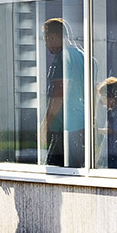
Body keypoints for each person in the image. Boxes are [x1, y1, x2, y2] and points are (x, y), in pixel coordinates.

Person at [40, 18, 85, 168]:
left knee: (54, 172)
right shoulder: (82, 56)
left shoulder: (62, 58)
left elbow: (59, 93)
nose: (46, 44)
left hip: (64, 128)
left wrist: (46, 124)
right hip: (80, 125)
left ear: (51, 37)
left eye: (45, 39)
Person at [97, 77, 117, 169]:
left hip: (115, 154)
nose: (101, 101)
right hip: (109, 152)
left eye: (103, 97)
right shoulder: (111, 112)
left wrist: (97, 131)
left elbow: (112, 130)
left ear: (112, 98)